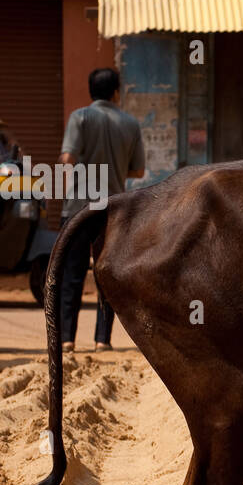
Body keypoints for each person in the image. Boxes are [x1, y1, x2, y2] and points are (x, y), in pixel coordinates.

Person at [57, 67, 145, 352]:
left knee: (71, 274)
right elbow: (139, 169)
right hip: (112, 210)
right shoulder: (130, 124)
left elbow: (68, 158)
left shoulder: (79, 117)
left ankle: (67, 340)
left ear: (90, 90)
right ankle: (101, 340)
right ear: (116, 92)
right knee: (105, 275)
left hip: (78, 206)